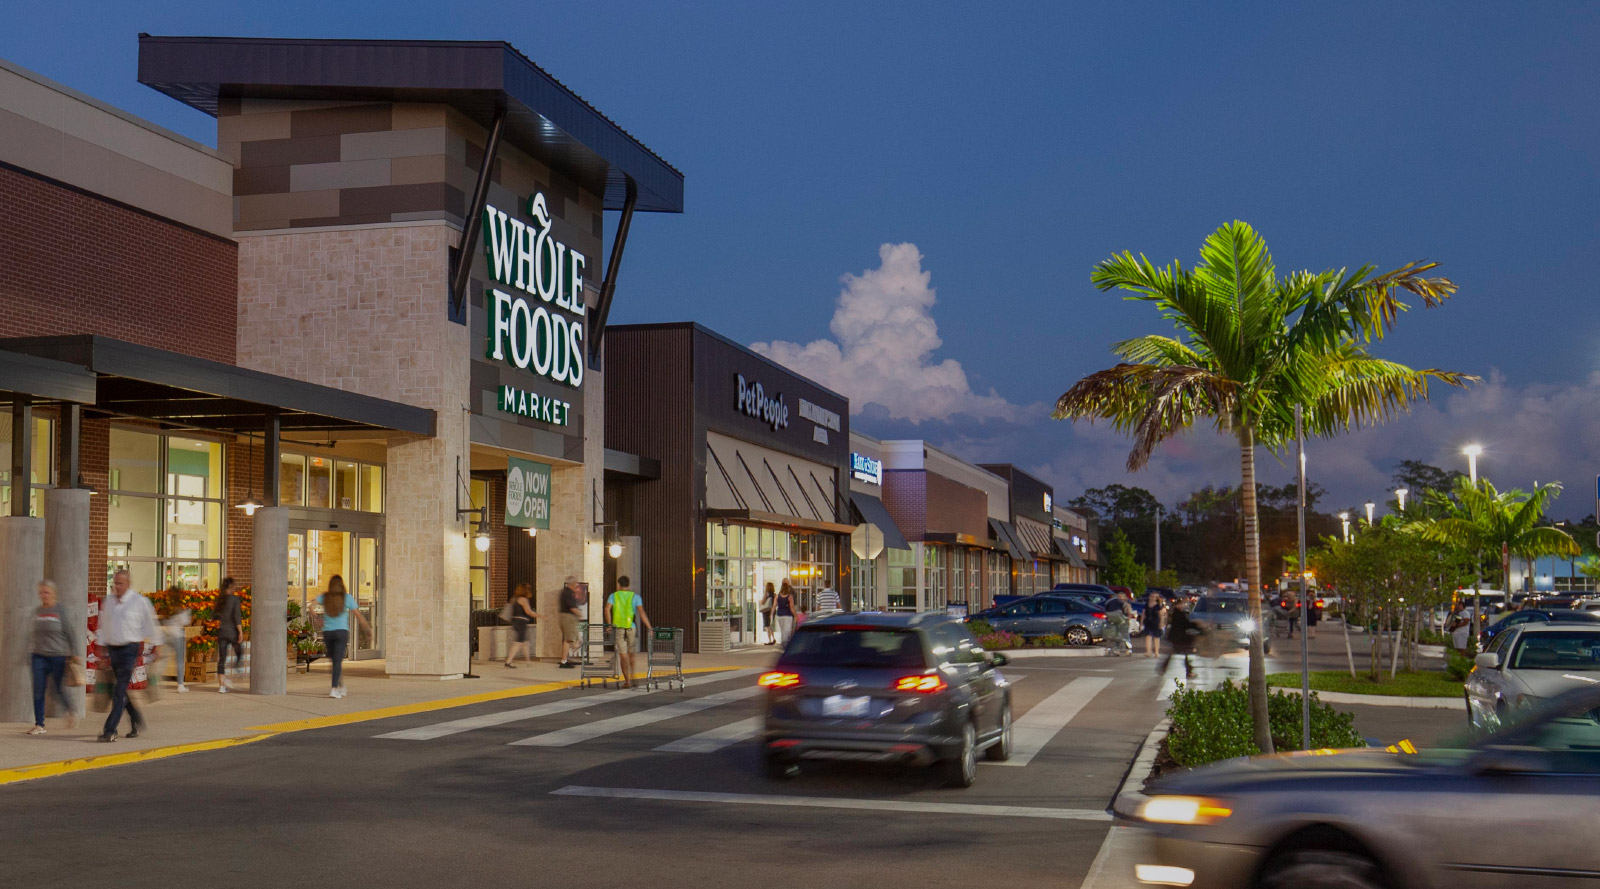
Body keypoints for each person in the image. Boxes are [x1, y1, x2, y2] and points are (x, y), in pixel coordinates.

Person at [98, 569, 159, 742]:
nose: (116, 587)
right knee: (121, 690)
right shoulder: (108, 602)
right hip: (113, 649)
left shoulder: (139, 602)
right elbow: (104, 626)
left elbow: (151, 624)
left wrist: (157, 645)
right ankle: (136, 720)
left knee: (119, 690)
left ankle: (110, 730)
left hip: (130, 649)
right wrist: (101, 650)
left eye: (120, 583)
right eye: (114, 583)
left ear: (128, 583)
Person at [28, 580, 79, 735]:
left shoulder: (60, 611)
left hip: (58, 656)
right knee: (38, 690)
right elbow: (31, 633)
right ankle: (39, 724)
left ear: (53, 593)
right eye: (41, 592)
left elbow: (70, 632)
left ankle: (71, 710)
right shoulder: (37, 611)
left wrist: (75, 652)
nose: (44, 595)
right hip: (38, 656)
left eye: (47, 592)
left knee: (57, 690)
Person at [318, 575, 370, 698]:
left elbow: (310, 606)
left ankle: (339, 686)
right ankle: (334, 688)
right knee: (337, 661)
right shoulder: (347, 598)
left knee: (334, 661)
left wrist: (317, 618)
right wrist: (367, 628)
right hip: (341, 632)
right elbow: (358, 615)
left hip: (328, 632)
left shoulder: (325, 597)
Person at [606, 577, 652, 689]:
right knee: (632, 654)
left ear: (618, 585)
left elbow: (607, 609)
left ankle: (627, 681)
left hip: (618, 628)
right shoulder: (635, 597)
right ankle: (633, 674)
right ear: (629, 584)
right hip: (631, 627)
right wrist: (649, 627)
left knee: (623, 655)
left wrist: (609, 624)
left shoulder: (613, 596)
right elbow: (641, 613)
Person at [157, 587, 191, 694]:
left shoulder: (166, 608)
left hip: (166, 635)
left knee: (163, 659)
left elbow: (161, 621)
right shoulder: (179, 607)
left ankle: (157, 680)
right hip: (178, 635)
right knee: (179, 661)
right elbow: (185, 621)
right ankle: (180, 685)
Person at [214, 577, 243, 693]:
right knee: (239, 651)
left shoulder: (219, 599)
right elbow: (237, 616)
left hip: (221, 631)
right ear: (231, 586)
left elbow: (214, 616)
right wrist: (240, 631)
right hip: (232, 632)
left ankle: (221, 686)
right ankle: (236, 667)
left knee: (222, 659)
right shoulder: (234, 599)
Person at [1162, 599, 1200, 680]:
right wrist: (1196, 624)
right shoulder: (1178, 614)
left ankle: (1163, 668)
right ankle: (1189, 671)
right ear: (1177, 605)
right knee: (1184, 653)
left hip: (1177, 637)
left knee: (1176, 653)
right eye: (1182, 604)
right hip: (1178, 638)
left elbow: (1185, 624)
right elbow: (1185, 624)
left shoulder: (1177, 613)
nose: (1184, 605)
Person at [504, 582, 537, 668]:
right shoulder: (523, 599)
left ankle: (528, 661)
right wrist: (540, 616)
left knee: (525, 642)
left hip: (516, 622)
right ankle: (508, 661)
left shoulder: (514, 598)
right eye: (528, 589)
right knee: (518, 642)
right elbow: (528, 612)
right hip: (521, 622)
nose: (530, 591)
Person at [558, 577, 584, 668]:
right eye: (575, 584)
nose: (576, 586)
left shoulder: (566, 592)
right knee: (570, 640)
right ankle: (563, 662)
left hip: (566, 618)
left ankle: (564, 660)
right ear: (571, 584)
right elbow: (572, 607)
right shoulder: (568, 593)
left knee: (568, 640)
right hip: (568, 618)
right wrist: (579, 614)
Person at [1142, 592, 1167, 658]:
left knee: (1156, 638)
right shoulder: (1146, 604)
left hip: (1156, 622)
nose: (1151, 598)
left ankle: (1156, 652)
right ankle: (1148, 652)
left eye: (1153, 597)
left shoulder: (1158, 606)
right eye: (1151, 596)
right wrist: (1141, 623)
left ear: (1156, 598)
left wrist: (1161, 623)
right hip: (1148, 622)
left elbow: (1161, 615)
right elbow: (1143, 614)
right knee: (1148, 637)